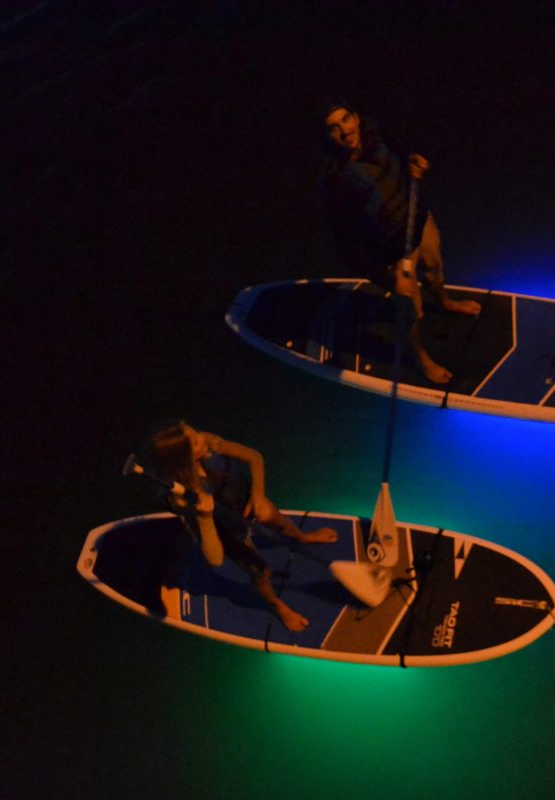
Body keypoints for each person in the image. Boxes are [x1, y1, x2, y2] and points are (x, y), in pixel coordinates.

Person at [319, 99, 481, 385]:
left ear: (355, 118)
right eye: (333, 128)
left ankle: (444, 301)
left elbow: (404, 146)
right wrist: (389, 280)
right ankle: (422, 359)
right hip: (394, 253)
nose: (343, 130)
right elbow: (348, 250)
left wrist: (414, 158)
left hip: (419, 221)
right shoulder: (337, 183)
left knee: (435, 269)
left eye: (345, 120)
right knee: (409, 312)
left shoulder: (375, 133)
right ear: (328, 137)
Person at [152, 422, 337, 632]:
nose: (202, 439)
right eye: (195, 442)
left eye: (196, 433)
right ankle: (276, 605)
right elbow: (215, 559)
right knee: (261, 571)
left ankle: (302, 537)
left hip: (245, 501)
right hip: (224, 527)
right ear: (184, 458)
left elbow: (254, 457)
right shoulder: (184, 498)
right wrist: (204, 515)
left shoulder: (210, 442)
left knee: (277, 520)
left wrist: (258, 496)